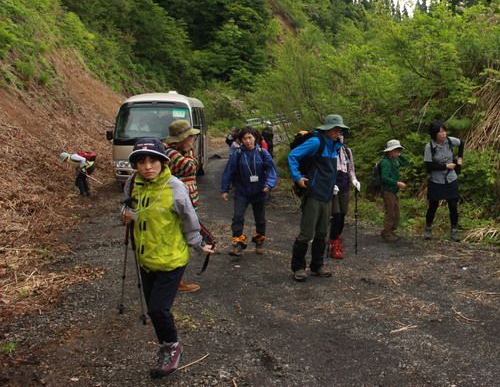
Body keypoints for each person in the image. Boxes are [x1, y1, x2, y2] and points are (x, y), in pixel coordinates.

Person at [120, 138, 214, 379]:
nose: (147, 167)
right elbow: (127, 208)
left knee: (159, 309)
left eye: (153, 161)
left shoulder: (175, 187)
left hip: (171, 259)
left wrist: (198, 245)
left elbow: (189, 219)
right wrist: (126, 214)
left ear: (163, 162)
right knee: (154, 311)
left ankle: (171, 347)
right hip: (146, 259)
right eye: (141, 162)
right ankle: (166, 344)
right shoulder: (132, 183)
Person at [288, 114, 348, 281]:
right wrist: (296, 177)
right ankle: (298, 268)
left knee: (322, 233)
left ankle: (317, 266)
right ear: (327, 129)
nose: (338, 133)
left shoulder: (334, 146)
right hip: (313, 194)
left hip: (327, 195)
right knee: (307, 233)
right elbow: (293, 156)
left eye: (340, 130)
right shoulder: (316, 142)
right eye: (335, 130)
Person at [220, 126, 278, 256]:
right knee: (238, 217)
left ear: (255, 138)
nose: (248, 141)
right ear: (240, 140)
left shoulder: (263, 153)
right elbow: (228, 172)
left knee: (260, 219)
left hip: (259, 192)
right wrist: (224, 189)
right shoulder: (238, 154)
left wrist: (268, 185)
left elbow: (271, 170)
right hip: (242, 192)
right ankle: (238, 243)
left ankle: (259, 241)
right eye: (244, 138)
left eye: (250, 137)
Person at [164, 119, 202, 293]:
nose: (192, 140)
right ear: (182, 139)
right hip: (178, 205)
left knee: (182, 242)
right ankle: (175, 281)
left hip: (186, 203)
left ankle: (176, 279)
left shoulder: (182, 151)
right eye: (190, 137)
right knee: (179, 242)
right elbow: (190, 166)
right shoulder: (171, 153)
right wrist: (189, 154)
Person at [423, 122, 464, 241]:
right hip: (436, 179)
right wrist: (446, 166)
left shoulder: (450, 141)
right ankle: (428, 229)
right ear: (434, 134)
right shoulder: (429, 146)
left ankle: (454, 231)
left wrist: (460, 159)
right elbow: (429, 165)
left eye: (444, 131)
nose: (443, 134)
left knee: (453, 205)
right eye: (440, 132)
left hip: (451, 178)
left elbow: (462, 143)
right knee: (433, 205)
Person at [329, 134, 361, 258]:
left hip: (344, 185)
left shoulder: (347, 151)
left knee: (343, 213)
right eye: (337, 136)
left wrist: (354, 180)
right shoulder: (328, 150)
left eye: (341, 136)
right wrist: (330, 184)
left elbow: (351, 169)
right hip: (332, 187)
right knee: (336, 215)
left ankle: (337, 236)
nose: (340, 138)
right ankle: (333, 244)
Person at [378, 139, 410, 242]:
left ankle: (391, 231)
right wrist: (397, 183)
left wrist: (399, 155)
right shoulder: (385, 162)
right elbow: (385, 177)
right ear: (390, 151)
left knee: (396, 211)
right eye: (395, 150)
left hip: (394, 190)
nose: (397, 152)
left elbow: (406, 162)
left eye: (399, 150)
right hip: (388, 190)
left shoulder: (395, 160)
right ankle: (386, 233)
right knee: (390, 212)